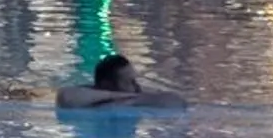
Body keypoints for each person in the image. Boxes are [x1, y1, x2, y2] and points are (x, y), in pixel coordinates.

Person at [55, 54, 186, 111]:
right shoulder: (88, 95)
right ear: (107, 85)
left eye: (134, 80)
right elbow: (65, 97)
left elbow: (177, 102)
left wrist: (134, 98)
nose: (136, 87)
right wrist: (118, 96)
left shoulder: (137, 94)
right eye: (129, 82)